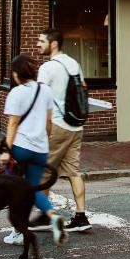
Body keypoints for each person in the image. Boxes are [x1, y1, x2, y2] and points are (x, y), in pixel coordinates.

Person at [1, 54, 64, 246]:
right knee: (34, 187)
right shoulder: (45, 91)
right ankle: (53, 217)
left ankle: (18, 231)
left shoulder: (16, 93)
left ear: (16, 73)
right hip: (40, 148)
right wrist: (44, 137)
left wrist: (6, 150)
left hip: (20, 147)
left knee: (14, 191)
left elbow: (13, 123)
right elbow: (48, 121)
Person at [34, 28, 91, 233]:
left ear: (54, 43)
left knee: (43, 172)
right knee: (74, 171)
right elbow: (83, 88)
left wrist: (43, 130)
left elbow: (41, 102)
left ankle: (44, 214)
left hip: (57, 126)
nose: (38, 44)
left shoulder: (47, 68)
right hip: (76, 125)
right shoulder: (73, 63)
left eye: (41, 41)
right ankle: (81, 216)